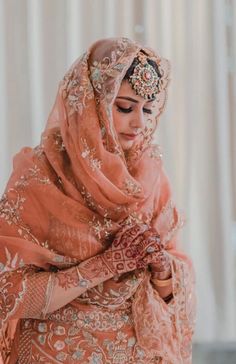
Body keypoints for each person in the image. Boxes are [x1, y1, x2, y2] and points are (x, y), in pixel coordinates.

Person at [0, 37, 196, 364]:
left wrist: (161, 266)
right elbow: (9, 294)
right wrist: (106, 265)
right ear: (93, 103)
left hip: (140, 351)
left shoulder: (151, 178)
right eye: (124, 107)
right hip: (56, 353)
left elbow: (174, 289)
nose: (140, 123)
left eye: (148, 110)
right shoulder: (40, 178)